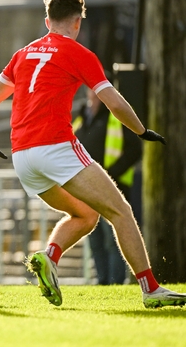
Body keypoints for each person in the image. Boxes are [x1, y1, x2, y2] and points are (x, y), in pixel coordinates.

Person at [0, 0, 186, 308]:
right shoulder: (79, 53)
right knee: (121, 211)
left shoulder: (22, 55)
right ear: (78, 22)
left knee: (86, 215)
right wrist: (142, 131)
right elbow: (113, 102)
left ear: (47, 21)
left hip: (22, 157)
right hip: (55, 147)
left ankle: (49, 256)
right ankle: (151, 289)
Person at [73, 87, 141, 285]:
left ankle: (115, 282)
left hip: (113, 187)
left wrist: (110, 174)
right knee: (95, 240)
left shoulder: (115, 115)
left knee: (112, 240)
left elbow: (134, 149)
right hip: (87, 189)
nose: (92, 93)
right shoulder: (82, 117)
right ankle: (102, 282)